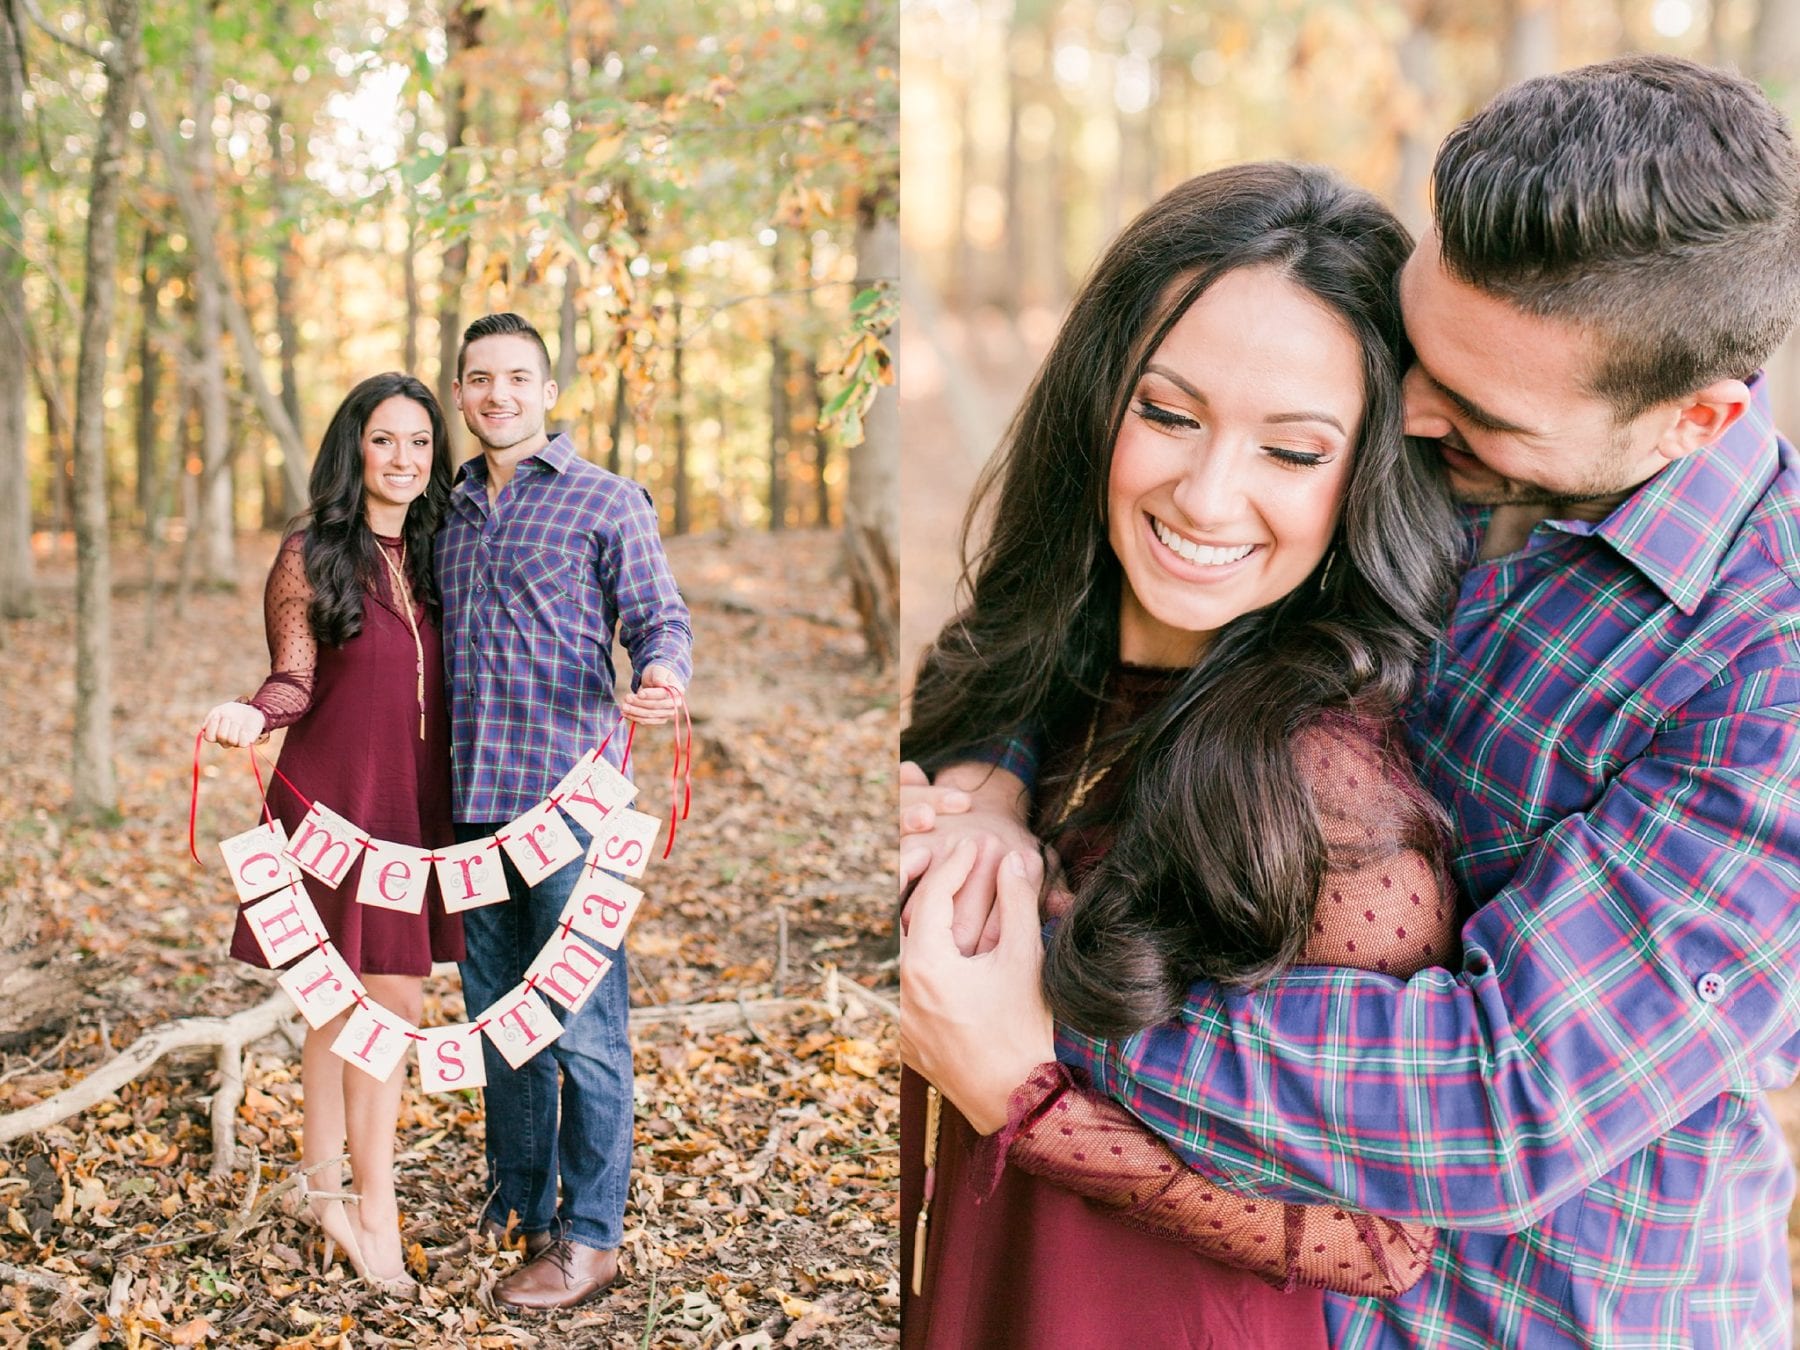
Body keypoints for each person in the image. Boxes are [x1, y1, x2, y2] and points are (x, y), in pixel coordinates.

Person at [903, 55, 1800, 1349]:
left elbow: (1501, 1096)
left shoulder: (1767, 674)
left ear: (1693, 420)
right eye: (1417, 345)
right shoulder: (1429, 428)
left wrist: (1039, 1014)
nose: (1411, 412)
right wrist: (991, 772)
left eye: (1474, 408)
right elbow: (1128, 598)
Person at [898, 162, 1467, 1348]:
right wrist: (983, 793)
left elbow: (1385, 1238)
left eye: (1293, 452)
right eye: (1168, 415)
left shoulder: (1329, 792)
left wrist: (1023, 1096)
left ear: (1366, 475)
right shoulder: (1019, 677)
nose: (1208, 497)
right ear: (1100, 402)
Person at [437, 311, 692, 1310]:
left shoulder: (605, 501)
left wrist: (664, 671)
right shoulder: (445, 516)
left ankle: (590, 1239)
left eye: (516, 377)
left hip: (572, 811)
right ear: (460, 394)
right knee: (501, 1023)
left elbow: (658, 615)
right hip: (470, 814)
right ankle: (517, 1198)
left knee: (585, 1028)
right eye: (478, 378)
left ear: (549, 392)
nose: (497, 394)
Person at [202, 371, 461, 1293]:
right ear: (355, 447)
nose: (404, 459)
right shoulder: (313, 551)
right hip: (333, 799)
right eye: (385, 440)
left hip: (417, 807)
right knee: (340, 1005)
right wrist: (252, 713)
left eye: (421, 442)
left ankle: (344, 1198)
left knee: (393, 1004)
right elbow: (295, 674)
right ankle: (350, 1204)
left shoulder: (445, 546)